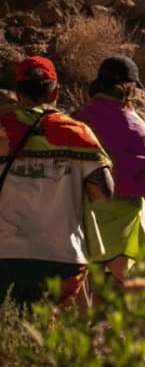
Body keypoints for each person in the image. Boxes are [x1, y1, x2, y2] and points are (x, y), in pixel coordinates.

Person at [0, 56, 114, 309]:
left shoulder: (3, 132)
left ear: (18, 94)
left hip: (5, 255)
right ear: (56, 91)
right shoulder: (77, 133)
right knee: (45, 327)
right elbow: (103, 193)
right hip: (62, 257)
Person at [73, 56, 145, 287]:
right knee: (143, 287)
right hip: (124, 225)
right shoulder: (133, 125)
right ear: (128, 88)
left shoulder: (76, 119)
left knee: (84, 296)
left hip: (84, 221)